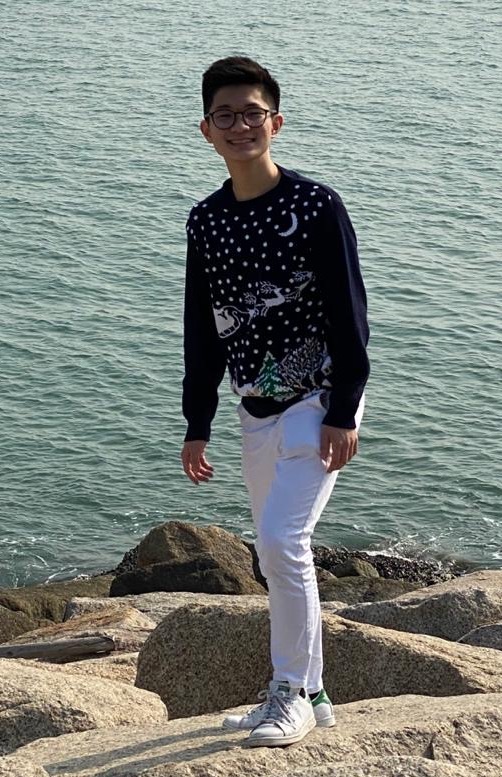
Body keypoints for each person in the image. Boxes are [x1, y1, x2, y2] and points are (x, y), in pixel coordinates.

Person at [181, 56, 369, 748]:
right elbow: (201, 330)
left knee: (282, 542)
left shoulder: (315, 206)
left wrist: (346, 407)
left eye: (252, 113)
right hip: (253, 407)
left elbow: (352, 313)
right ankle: (313, 690)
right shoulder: (206, 221)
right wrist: (195, 423)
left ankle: (287, 691)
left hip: (318, 398)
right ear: (206, 129)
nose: (240, 125)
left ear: (276, 121)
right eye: (225, 115)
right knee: (274, 553)